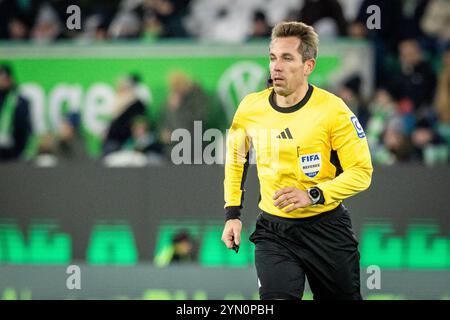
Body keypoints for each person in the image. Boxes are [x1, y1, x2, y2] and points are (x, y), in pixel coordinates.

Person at [221, 21, 373, 300]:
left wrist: (313, 194)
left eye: (287, 58)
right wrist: (232, 214)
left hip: (326, 230)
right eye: (272, 57)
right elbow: (235, 159)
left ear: (308, 66)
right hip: (274, 232)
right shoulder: (251, 107)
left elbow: (362, 172)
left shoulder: (333, 110)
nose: (276, 67)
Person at [0, 64, 32, 162]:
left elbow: (24, 125)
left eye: (5, 78)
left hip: (13, 149)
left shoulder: (19, 100)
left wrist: (20, 149)